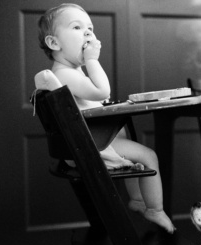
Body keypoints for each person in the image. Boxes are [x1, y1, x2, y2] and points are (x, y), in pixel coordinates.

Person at [37, 3, 175, 233]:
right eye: (77, 27)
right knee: (149, 156)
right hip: (92, 147)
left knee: (131, 149)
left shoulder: (67, 74)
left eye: (90, 28)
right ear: (54, 43)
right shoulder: (66, 75)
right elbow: (102, 92)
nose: (88, 33)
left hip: (88, 142)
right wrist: (92, 60)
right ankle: (155, 210)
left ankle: (138, 200)